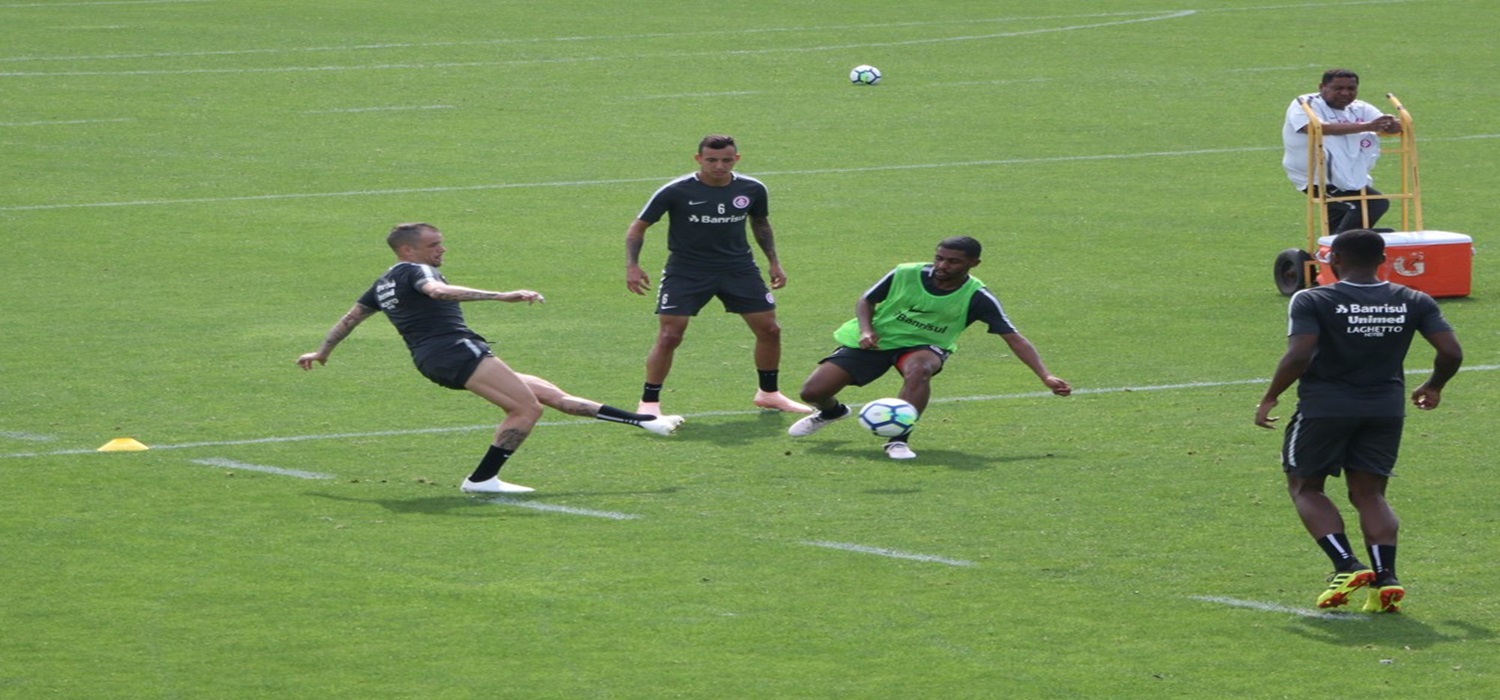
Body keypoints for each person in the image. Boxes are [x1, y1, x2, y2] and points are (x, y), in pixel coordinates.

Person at [297, 223, 685, 494]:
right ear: (408, 250)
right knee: (526, 410)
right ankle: (482, 480)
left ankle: (645, 422)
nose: (442, 249)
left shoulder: (383, 282)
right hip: (453, 350)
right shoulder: (417, 271)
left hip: (438, 357)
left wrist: (323, 351)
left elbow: (352, 317)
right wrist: (501, 295)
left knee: (551, 396)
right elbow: (435, 292)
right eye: (434, 244)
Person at [1255, 229, 1462, 613]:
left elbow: (1300, 354)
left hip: (1324, 408)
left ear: (1334, 261)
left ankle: (1346, 565)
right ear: (1382, 260)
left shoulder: (1313, 298)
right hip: (1384, 409)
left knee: (1305, 487)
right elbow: (1451, 351)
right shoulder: (1414, 300)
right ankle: (1386, 578)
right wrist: (1435, 386)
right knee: (1370, 494)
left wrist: (1271, 395)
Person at [786, 236, 1071, 460]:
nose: (943, 266)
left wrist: (1045, 376)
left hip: (924, 346)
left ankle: (898, 439)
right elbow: (866, 300)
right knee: (812, 392)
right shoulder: (905, 272)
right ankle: (832, 412)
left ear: (974, 263)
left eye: (953, 262)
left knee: (920, 369)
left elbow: (1013, 337)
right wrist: (866, 329)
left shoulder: (978, 297)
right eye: (939, 258)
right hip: (877, 339)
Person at [624, 134, 811, 416]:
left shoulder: (753, 188)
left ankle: (769, 393)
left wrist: (774, 262)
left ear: (736, 158)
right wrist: (633, 266)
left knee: (770, 329)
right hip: (687, 271)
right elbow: (638, 227)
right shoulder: (676, 191)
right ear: (698, 159)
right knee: (669, 336)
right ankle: (649, 403)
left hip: (739, 269)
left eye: (726, 160)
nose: (719, 166)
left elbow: (760, 223)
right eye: (711, 160)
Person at [1282, 68, 1403, 234]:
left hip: (1350, 176)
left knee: (1339, 221)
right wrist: (1367, 126)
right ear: (1321, 87)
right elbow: (1313, 128)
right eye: (1338, 88)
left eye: (1351, 89)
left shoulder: (1360, 108)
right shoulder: (1305, 103)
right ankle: (1341, 248)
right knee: (1374, 203)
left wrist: (1392, 126)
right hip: (1317, 179)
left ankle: (1332, 251)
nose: (1345, 93)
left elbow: (1385, 124)